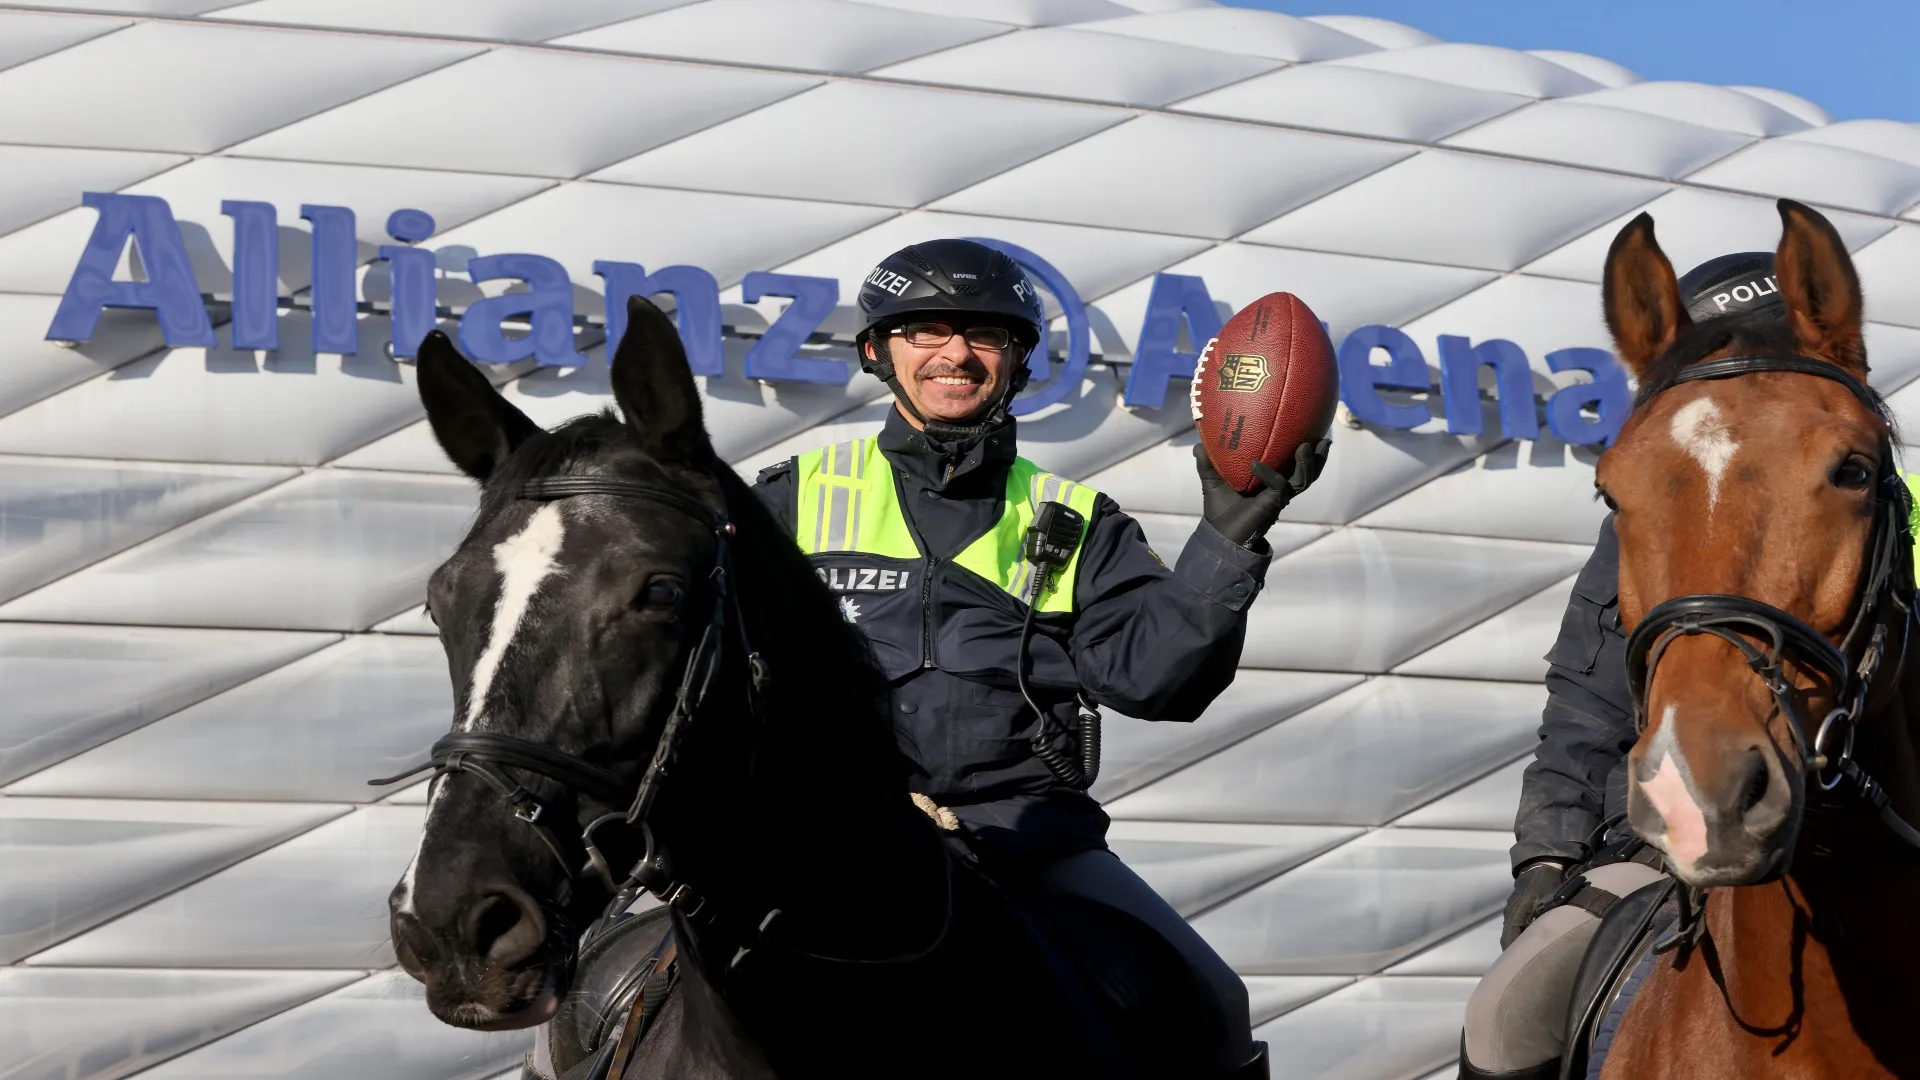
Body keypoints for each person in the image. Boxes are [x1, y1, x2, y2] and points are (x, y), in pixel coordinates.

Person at [752, 239, 1328, 1078]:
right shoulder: (788, 498)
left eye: (985, 334)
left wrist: (1228, 537)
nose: (956, 353)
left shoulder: (1078, 517)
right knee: (618, 979)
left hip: (1025, 844)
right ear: (878, 351)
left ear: (1019, 359)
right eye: (926, 331)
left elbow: (1154, 680)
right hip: (818, 842)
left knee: (1212, 1002)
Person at [1459, 252, 1793, 1079]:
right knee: (1503, 1020)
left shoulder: (1887, 508)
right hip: (1655, 849)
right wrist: (1547, 855)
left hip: (1862, 836)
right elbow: (1585, 706)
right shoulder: (1639, 523)